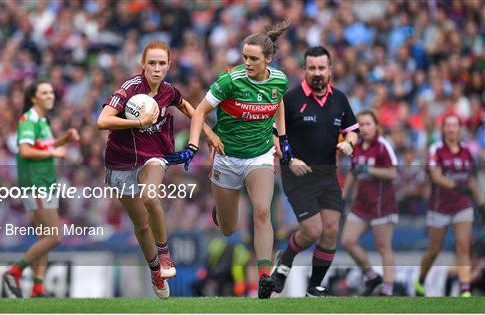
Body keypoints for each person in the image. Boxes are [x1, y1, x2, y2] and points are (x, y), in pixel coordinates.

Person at [166, 20, 291, 299]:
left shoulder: (280, 79)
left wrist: (282, 138)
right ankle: (220, 214)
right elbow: (198, 112)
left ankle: (264, 277)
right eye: (245, 56)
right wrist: (193, 146)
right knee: (228, 228)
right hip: (227, 158)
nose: (247, 62)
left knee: (262, 212)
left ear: (268, 59)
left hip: (260, 155)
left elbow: (278, 100)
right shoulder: (229, 82)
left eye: (253, 58)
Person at [97, 41, 221, 299]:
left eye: (161, 63)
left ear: (168, 65)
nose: (156, 68)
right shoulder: (130, 89)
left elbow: (187, 106)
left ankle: (165, 257)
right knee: (141, 226)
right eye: (151, 63)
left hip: (153, 156)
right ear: (143, 64)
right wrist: (139, 120)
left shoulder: (168, 91)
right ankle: (155, 269)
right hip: (120, 161)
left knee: (150, 197)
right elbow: (102, 120)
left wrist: (207, 132)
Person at [270, 46, 359, 297]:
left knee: (331, 230)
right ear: (304, 70)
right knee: (313, 230)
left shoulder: (340, 99)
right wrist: (289, 159)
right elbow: (273, 137)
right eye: (312, 68)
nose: (317, 73)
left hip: (327, 174)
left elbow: (352, 129)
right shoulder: (290, 100)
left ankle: (314, 287)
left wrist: (349, 143)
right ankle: (284, 260)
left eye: (321, 68)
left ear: (330, 69)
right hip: (297, 175)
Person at [3, 81, 79, 298]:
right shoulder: (29, 120)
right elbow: (26, 151)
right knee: (54, 237)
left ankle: (37, 287)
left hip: (46, 182)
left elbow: (45, 146)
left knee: (44, 237)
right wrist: (52, 154)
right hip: (36, 184)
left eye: (51, 92)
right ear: (34, 98)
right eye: (44, 93)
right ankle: (15, 271)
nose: (50, 96)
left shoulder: (43, 121)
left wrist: (65, 139)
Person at [414, 114, 485, 298]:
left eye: (455, 125)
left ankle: (465, 289)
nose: (452, 129)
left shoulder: (467, 152)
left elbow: (471, 181)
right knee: (434, 250)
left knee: (463, 245)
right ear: (443, 129)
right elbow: (436, 176)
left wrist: (481, 205)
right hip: (440, 207)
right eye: (449, 125)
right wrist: (457, 186)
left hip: (462, 206)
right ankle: (421, 280)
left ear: (460, 128)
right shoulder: (436, 150)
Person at [340, 110, 399, 296]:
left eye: (368, 124)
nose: (364, 128)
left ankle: (387, 288)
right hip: (361, 205)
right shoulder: (355, 147)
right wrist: (342, 198)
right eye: (361, 125)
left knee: (383, 246)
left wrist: (370, 169)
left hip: (382, 205)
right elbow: (353, 173)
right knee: (347, 241)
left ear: (376, 127)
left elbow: (393, 173)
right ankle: (372, 275)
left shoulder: (383, 146)